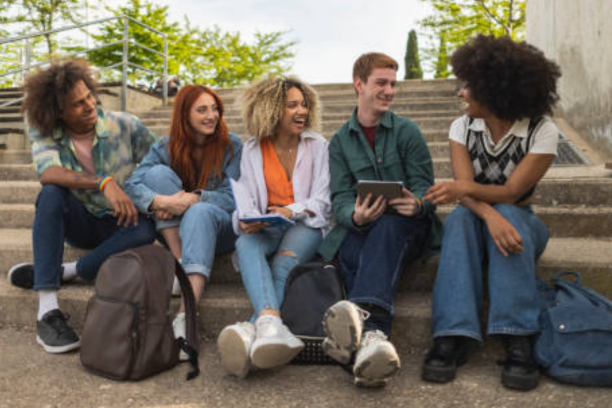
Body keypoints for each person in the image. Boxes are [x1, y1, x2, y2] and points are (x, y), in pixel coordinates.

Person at [421, 35, 562, 391]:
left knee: (510, 215)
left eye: (468, 86)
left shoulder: (542, 131)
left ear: (495, 91)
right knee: (460, 218)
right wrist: (489, 215)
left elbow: (513, 193)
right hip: (477, 220)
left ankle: (519, 337)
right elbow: (464, 193)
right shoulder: (462, 127)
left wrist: (482, 202)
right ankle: (452, 334)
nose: (461, 93)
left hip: (523, 221)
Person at [7, 59, 158, 353]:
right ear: (58, 112)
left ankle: (65, 270)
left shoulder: (125, 125)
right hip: (81, 222)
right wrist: (103, 181)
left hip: (121, 222)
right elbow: (48, 172)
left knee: (147, 228)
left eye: (89, 96)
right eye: (77, 104)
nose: (89, 105)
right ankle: (47, 311)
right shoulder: (45, 129)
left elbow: (162, 161)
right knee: (51, 193)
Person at [317, 52, 442, 388]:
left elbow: (425, 189)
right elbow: (340, 198)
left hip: (406, 227)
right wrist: (354, 215)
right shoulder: (341, 142)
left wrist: (416, 204)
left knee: (386, 228)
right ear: (359, 84)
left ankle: (367, 329)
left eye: (392, 84)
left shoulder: (407, 132)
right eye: (381, 83)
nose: (389, 91)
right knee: (353, 244)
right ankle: (369, 350)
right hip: (363, 229)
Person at [216, 77, 331, 378]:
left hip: (306, 223)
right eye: (292, 105)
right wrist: (244, 219)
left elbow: (322, 201)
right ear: (272, 110)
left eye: (304, 104)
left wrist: (289, 209)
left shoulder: (318, 145)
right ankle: (270, 328)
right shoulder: (253, 149)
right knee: (243, 242)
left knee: (282, 265)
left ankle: (254, 327)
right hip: (268, 225)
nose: (301, 111)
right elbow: (247, 199)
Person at [124, 84, 242, 359]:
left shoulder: (232, 145)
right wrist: (162, 202)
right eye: (202, 110)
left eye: (215, 109)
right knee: (156, 176)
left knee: (199, 212)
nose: (211, 115)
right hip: (178, 232)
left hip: (220, 229)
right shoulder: (165, 146)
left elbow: (234, 197)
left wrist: (191, 200)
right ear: (184, 115)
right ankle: (179, 260)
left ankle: (185, 315)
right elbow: (132, 185)